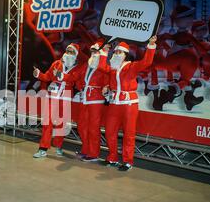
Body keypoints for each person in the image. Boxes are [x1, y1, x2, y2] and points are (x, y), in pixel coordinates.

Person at [100, 37, 157, 171]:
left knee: (129, 133)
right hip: (114, 103)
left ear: (126, 55)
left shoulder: (132, 66)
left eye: (120, 52)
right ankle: (112, 157)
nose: (116, 54)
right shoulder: (113, 68)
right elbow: (102, 67)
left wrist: (151, 45)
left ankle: (127, 161)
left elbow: (147, 61)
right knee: (109, 131)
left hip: (129, 104)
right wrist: (104, 52)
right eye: (115, 52)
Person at [57, 41, 110, 162]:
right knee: (81, 126)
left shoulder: (103, 66)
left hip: (96, 100)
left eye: (96, 51)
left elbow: (108, 80)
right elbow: (75, 76)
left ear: (100, 53)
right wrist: (62, 76)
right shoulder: (86, 65)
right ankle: (85, 150)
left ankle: (93, 154)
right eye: (92, 51)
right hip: (84, 99)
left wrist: (107, 87)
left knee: (93, 128)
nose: (94, 53)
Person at [32, 43, 86, 158]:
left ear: (75, 55)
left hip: (66, 96)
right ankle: (43, 148)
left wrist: (62, 76)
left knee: (62, 123)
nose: (68, 53)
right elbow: (47, 77)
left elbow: (74, 79)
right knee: (48, 121)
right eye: (67, 50)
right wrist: (38, 74)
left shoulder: (79, 67)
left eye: (71, 52)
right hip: (53, 95)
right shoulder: (56, 63)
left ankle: (58, 145)